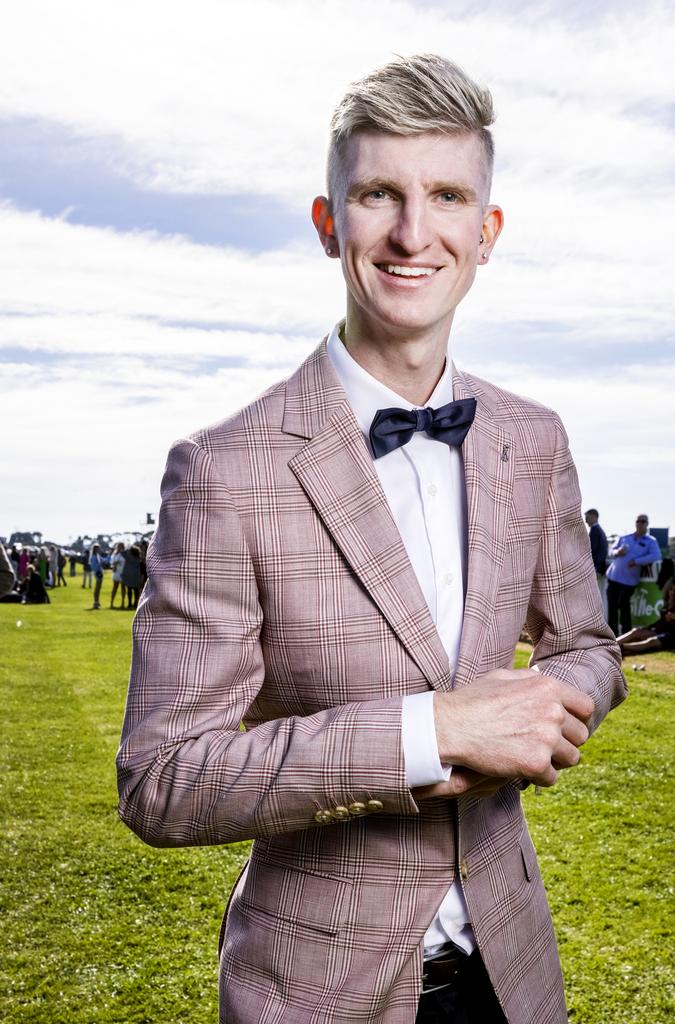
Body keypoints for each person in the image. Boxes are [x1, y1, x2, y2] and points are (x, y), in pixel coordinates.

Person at [117, 54, 626, 1024]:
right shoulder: (224, 470)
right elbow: (164, 779)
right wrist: (429, 731)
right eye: (378, 194)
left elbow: (587, 645)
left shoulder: (535, 436)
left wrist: (557, 707)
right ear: (328, 222)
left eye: (445, 196)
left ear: (487, 232)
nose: (411, 232)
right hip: (315, 993)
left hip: (510, 975)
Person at [606, 514, 662, 636]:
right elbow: (611, 551)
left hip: (629, 580)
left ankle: (626, 634)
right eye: (638, 521)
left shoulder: (650, 541)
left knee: (623, 605)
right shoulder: (625, 537)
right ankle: (612, 636)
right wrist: (617, 552)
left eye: (643, 521)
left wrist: (637, 561)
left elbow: (656, 556)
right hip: (613, 576)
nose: (640, 523)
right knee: (612, 607)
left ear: (647, 524)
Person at [617, 577, 675, 655]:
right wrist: (649, 627)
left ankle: (619, 647)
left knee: (649, 641)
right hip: (669, 633)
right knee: (636, 633)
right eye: (671, 590)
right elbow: (663, 621)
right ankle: (612, 644)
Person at [585, 508, 608, 615]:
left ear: (594, 516)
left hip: (596, 569)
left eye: (587, 517)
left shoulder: (595, 531)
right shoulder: (600, 531)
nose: (586, 520)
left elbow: (592, 551)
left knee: (594, 598)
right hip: (599, 569)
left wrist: (594, 568)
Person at [110, 542, 126, 609]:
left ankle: (122, 603)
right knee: (115, 587)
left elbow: (125, 561)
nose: (119, 548)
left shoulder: (124, 554)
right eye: (118, 547)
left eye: (121, 547)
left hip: (123, 573)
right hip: (116, 572)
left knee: (123, 588)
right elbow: (111, 563)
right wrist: (114, 564)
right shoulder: (114, 554)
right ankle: (111, 603)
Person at [89, 543, 104, 609]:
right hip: (97, 573)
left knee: (98, 588)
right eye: (97, 548)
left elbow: (104, 560)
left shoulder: (98, 555)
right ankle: (95, 602)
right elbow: (94, 566)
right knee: (97, 588)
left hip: (99, 572)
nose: (98, 549)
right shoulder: (93, 556)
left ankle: (97, 601)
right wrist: (98, 569)